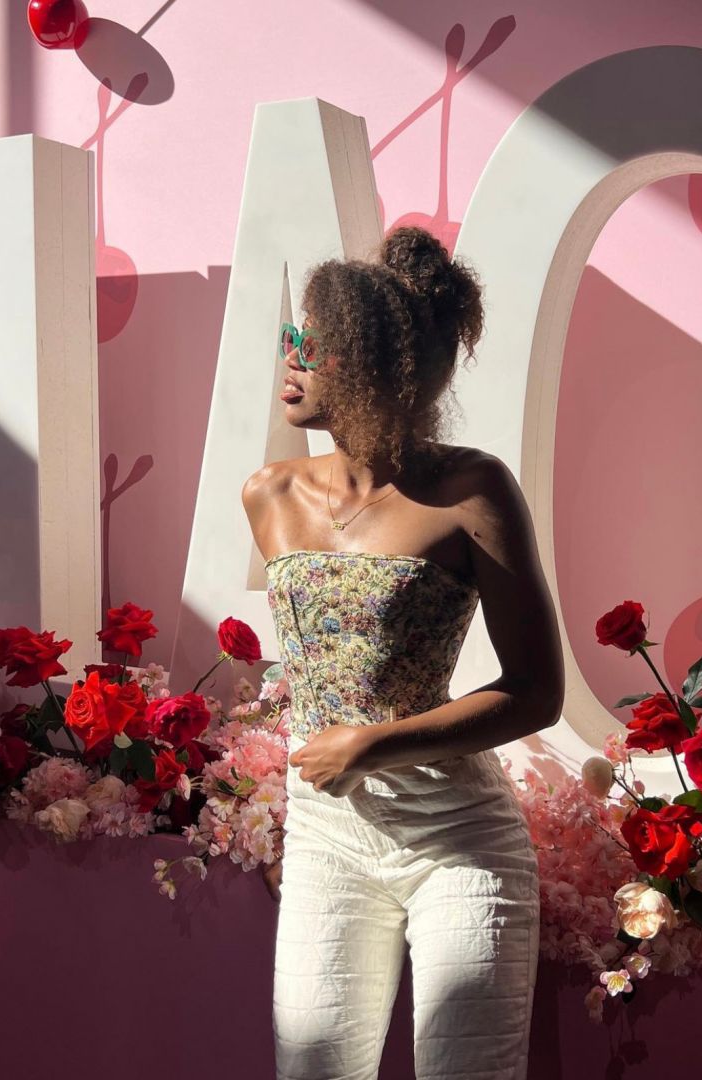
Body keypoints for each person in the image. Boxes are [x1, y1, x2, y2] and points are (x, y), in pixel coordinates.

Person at [242, 225, 565, 1080]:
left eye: (315, 344)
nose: (291, 358)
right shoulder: (269, 494)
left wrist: (373, 744)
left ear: (378, 365)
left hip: (456, 838)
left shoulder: (471, 490)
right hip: (326, 833)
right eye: (292, 336)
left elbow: (536, 692)